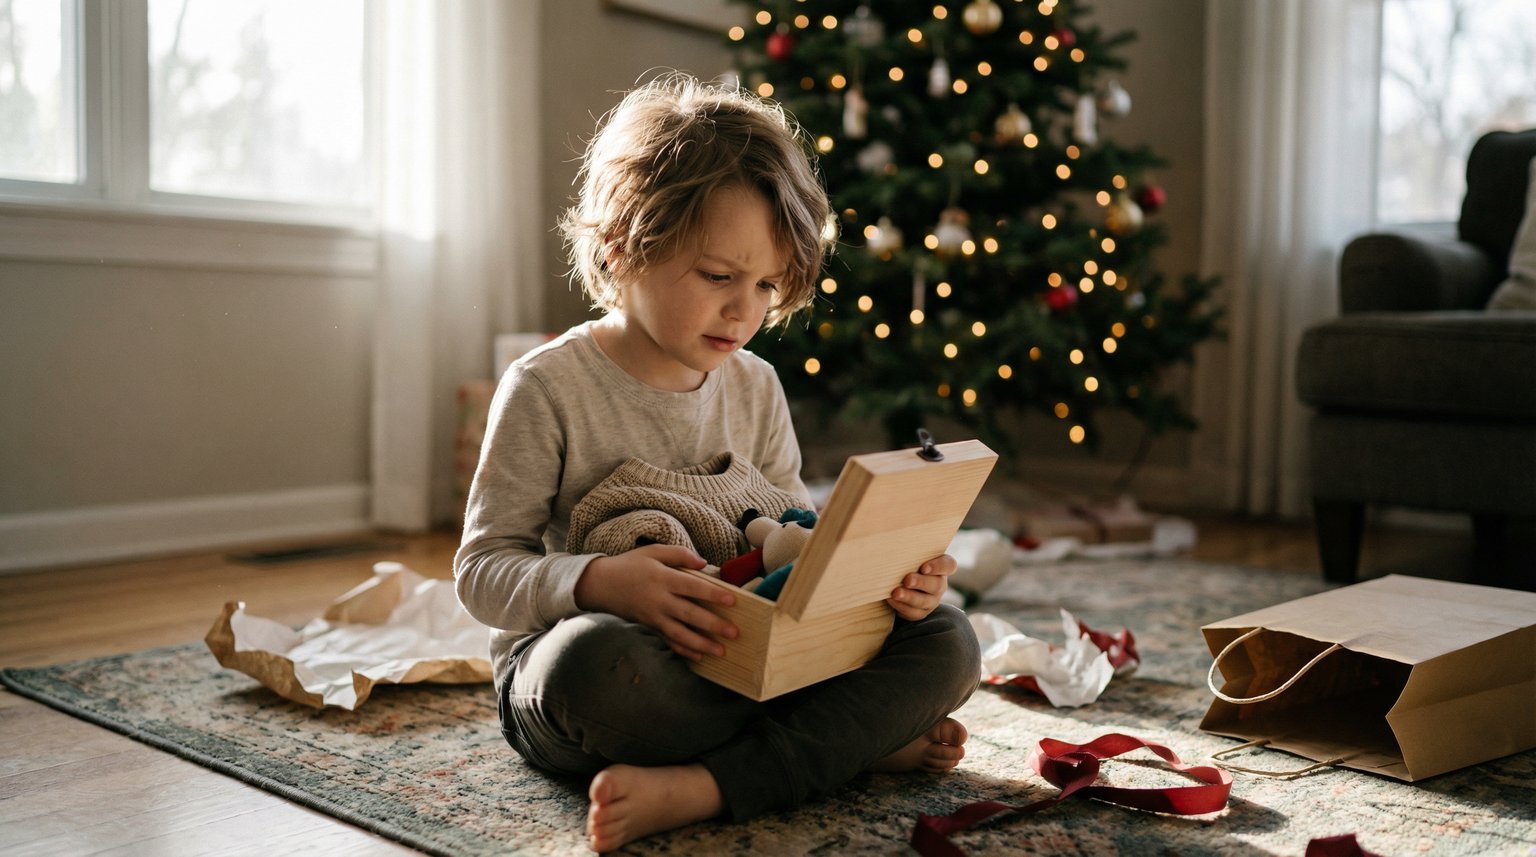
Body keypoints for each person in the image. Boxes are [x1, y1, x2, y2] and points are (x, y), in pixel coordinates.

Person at [454, 74, 980, 853]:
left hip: (755, 663)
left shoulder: (756, 386)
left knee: (950, 640)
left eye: (768, 284)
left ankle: (706, 784)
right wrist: (600, 582)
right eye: (719, 276)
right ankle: (848, 741)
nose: (747, 311)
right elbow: (482, 569)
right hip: (618, 670)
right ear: (621, 245)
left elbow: (799, 548)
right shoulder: (547, 386)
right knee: (590, 667)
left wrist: (888, 584)